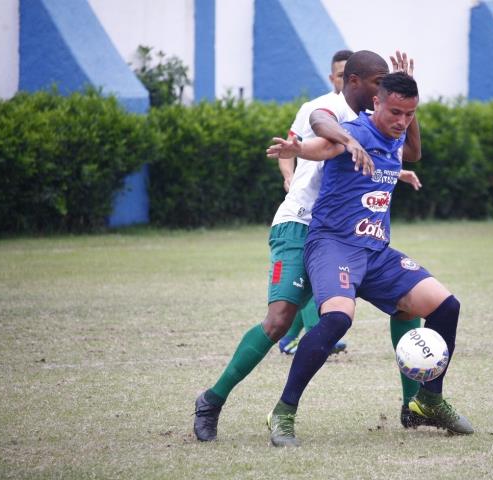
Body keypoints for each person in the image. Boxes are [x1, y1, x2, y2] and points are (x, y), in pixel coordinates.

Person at [194, 50, 426, 442]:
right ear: (354, 82)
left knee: (408, 300)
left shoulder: (381, 117)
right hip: (300, 225)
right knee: (280, 318)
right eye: (378, 83)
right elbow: (320, 126)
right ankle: (211, 400)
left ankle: (414, 405)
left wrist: (396, 145)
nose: (383, 89)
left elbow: (408, 150)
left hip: (347, 235)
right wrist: (349, 143)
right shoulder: (325, 106)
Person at [265, 72, 474, 447]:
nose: (402, 122)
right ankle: (283, 412)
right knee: (337, 319)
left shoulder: (396, 137)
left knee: (446, 306)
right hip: (333, 245)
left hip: (376, 251)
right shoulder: (356, 132)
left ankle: (428, 400)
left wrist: (403, 157)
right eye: (395, 111)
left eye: (409, 114)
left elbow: (409, 151)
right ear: (375, 102)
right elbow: (324, 145)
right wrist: (297, 151)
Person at [276, 49, 354, 356]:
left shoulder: (362, 114)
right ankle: (316, 335)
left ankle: (289, 338)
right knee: (310, 277)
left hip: (336, 217)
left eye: (350, 75)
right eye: (340, 75)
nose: (345, 80)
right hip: (307, 211)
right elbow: (289, 149)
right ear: (331, 77)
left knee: (311, 281)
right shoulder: (314, 108)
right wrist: (288, 177)